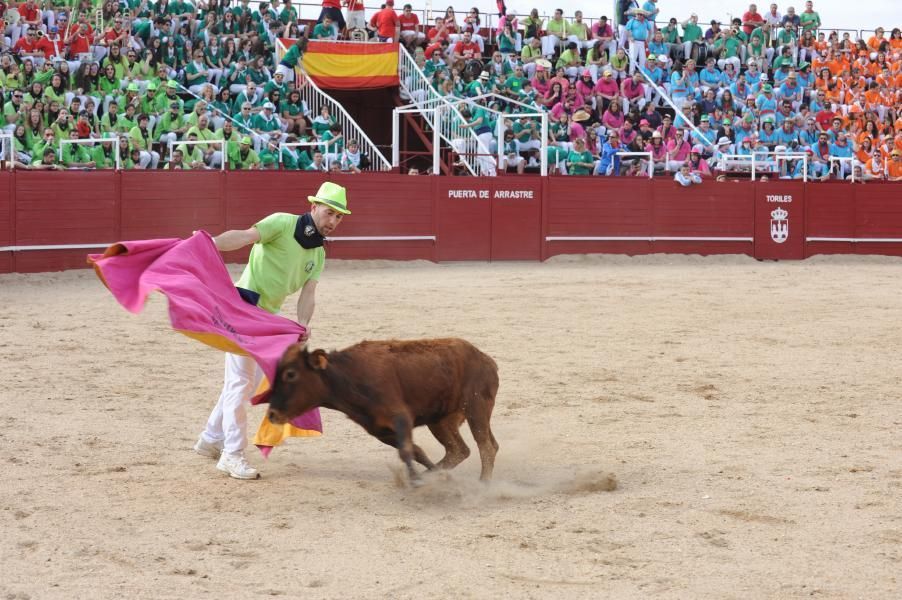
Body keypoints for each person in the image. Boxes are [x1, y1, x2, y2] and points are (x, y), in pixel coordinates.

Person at [194, 182, 351, 479]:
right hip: (244, 308)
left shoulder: (317, 253)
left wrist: (303, 324)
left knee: (243, 383)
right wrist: (210, 243)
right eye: (330, 213)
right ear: (314, 207)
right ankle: (232, 453)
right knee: (241, 383)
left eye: (339, 217)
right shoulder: (281, 222)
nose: (333, 222)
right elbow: (243, 237)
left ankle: (210, 439)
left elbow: (308, 294)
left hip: (269, 318)